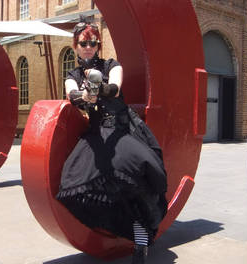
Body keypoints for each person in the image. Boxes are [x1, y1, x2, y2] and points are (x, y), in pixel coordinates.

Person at [55, 19, 168, 264]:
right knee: (75, 180)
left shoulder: (111, 64)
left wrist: (99, 88)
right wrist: (84, 95)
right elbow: (71, 94)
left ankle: (140, 244)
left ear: (98, 45)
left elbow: (115, 88)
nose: (88, 47)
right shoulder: (73, 74)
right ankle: (128, 233)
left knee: (134, 173)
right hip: (97, 133)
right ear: (76, 45)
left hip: (122, 127)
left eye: (92, 42)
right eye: (83, 43)